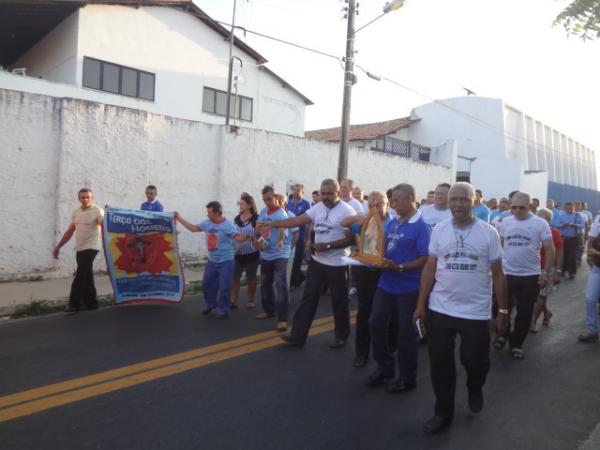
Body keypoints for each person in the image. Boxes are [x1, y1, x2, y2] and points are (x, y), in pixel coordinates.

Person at [413, 182, 508, 434]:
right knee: (440, 365)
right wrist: (421, 304)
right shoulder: (440, 231)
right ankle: (443, 413)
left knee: (475, 362)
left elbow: (498, 275)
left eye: (463, 199)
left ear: (474, 200)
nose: (457, 204)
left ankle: (474, 387)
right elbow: (431, 268)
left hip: (475, 312)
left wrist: (503, 312)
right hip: (441, 309)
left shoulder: (489, 233)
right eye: (454, 200)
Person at [261, 178, 356, 348]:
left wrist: (326, 245)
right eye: (323, 193)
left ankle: (341, 336)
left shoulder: (347, 211)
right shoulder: (318, 207)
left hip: (337, 264)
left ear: (338, 193)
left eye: (329, 194)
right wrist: (273, 224)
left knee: (339, 301)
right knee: (308, 299)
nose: (325, 197)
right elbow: (297, 221)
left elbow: (350, 239)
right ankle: (298, 335)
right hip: (317, 262)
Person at [366, 184, 430, 393]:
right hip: (386, 283)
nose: (392, 204)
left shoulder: (421, 226)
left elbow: (425, 259)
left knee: (405, 334)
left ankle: (407, 377)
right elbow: (383, 247)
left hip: (409, 288)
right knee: (375, 323)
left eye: (396, 200)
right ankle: (385, 367)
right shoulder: (393, 223)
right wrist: (372, 258)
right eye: (391, 201)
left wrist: (400, 267)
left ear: (411, 198)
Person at [495, 192, 555, 359]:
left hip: (530, 275)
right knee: (502, 308)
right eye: (513, 207)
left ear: (530, 207)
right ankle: (502, 334)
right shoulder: (505, 223)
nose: (517, 210)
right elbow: (499, 247)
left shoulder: (540, 224)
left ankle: (516, 344)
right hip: (507, 274)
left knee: (525, 312)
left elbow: (550, 249)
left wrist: (546, 272)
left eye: (521, 207)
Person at [341, 190, 396, 367]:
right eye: (371, 205)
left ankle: (387, 352)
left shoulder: (395, 223)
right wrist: (359, 218)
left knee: (388, 316)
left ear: (387, 204)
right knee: (364, 313)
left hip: (387, 273)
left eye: (379, 204)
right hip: (366, 273)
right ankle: (362, 353)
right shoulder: (366, 222)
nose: (375, 208)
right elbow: (344, 222)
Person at [175, 202, 247, 319]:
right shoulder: (207, 223)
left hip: (226, 261)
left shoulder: (228, 225)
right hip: (212, 261)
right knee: (207, 285)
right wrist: (178, 218)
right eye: (207, 212)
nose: (207, 214)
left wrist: (247, 237)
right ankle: (211, 304)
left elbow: (238, 237)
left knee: (224, 287)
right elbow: (193, 228)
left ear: (217, 213)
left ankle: (223, 310)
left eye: (209, 212)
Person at [53, 188, 105, 314]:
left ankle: (74, 304)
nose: (85, 199)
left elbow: (104, 225)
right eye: (82, 197)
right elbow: (70, 231)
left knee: (80, 275)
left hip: (92, 247)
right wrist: (58, 246)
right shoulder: (76, 212)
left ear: (92, 198)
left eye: (88, 197)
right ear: (78, 198)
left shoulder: (98, 211)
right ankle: (92, 303)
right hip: (80, 247)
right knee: (87, 275)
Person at [255, 186, 293, 331]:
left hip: (279, 254)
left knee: (280, 285)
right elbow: (258, 228)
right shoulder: (263, 212)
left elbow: (283, 232)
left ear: (275, 197)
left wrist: (281, 243)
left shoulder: (282, 214)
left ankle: (282, 319)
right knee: (265, 283)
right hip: (265, 253)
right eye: (264, 200)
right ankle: (268, 310)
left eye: (269, 199)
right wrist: (257, 240)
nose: (267, 202)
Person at [530, 208, 563, 331]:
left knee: (542, 295)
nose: (542, 218)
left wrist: (558, 271)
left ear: (549, 219)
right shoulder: (532, 230)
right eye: (540, 216)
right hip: (533, 267)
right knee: (537, 295)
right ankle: (546, 313)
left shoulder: (554, 232)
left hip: (548, 268)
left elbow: (560, 252)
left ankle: (532, 322)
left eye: (545, 216)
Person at [231, 194, 259, 309]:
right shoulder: (237, 219)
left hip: (251, 253)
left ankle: (250, 300)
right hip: (237, 253)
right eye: (240, 203)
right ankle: (233, 300)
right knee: (234, 278)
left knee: (251, 278)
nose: (240, 206)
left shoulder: (256, 218)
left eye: (242, 204)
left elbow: (260, 235)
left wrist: (253, 238)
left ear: (249, 205)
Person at [579, 214, 600, 343]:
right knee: (590, 299)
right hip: (597, 268)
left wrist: (597, 253)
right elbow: (592, 237)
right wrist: (589, 255)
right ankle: (592, 331)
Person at [288, 184, 311, 289]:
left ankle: (293, 283)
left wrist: (307, 237)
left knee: (297, 259)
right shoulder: (288, 203)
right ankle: (300, 276)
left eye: (298, 190)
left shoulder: (306, 204)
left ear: (302, 192)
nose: (296, 192)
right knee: (290, 258)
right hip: (290, 235)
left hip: (300, 235)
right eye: (294, 190)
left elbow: (309, 222)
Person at [557, 201, 584, 279]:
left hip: (573, 238)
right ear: (565, 208)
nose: (569, 210)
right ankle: (564, 270)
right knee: (564, 255)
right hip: (564, 238)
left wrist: (575, 225)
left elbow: (582, 225)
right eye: (567, 209)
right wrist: (563, 225)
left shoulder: (577, 215)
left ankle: (572, 272)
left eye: (571, 209)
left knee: (572, 255)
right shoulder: (561, 215)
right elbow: (557, 225)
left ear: (574, 208)